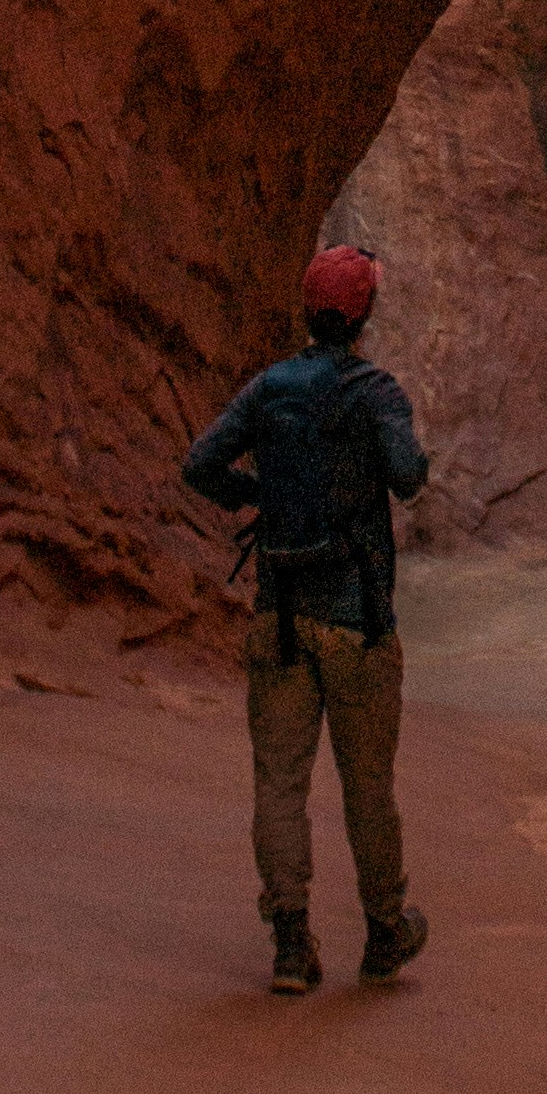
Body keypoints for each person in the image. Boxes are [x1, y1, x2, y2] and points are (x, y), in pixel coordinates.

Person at [183, 242, 428, 993]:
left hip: (280, 615)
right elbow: (409, 478)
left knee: (280, 785)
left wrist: (259, 494)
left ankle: (291, 946)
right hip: (357, 619)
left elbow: (200, 466)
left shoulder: (269, 388)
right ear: (364, 315)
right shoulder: (374, 390)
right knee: (367, 788)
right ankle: (384, 932)